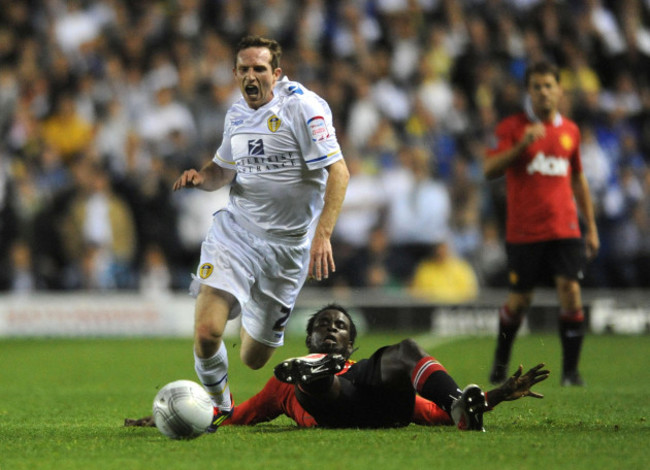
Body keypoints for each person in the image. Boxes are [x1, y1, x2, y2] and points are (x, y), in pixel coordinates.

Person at [171, 35, 349, 430]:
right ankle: (219, 408)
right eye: (244, 70)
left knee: (253, 357)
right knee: (206, 332)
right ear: (235, 73)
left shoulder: (302, 108)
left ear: (277, 73)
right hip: (236, 233)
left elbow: (339, 172)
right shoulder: (235, 115)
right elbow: (222, 171)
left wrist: (323, 235)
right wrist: (201, 177)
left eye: (260, 69)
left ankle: (251, 308)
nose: (251, 77)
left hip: (287, 249)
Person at [126, 304, 549, 431]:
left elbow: (433, 415)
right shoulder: (281, 389)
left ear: (350, 343)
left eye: (340, 327)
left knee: (403, 352)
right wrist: (173, 418)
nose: (332, 329)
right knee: (317, 386)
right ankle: (318, 375)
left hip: (381, 402)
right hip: (336, 405)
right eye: (323, 326)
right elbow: (235, 415)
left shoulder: (362, 365)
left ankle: (458, 396)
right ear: (309, 338)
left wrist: (488, 399)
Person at [483, 61, 600, 387]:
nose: (544, 91)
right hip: (524, 231)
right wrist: (522, 145)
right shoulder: (512, 127)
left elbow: (578, 179)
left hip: (564, 228)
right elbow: (490, 168)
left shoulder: (571, 132)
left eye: (549, 85)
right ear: (529, 91)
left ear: (560, 90)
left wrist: (590, 226)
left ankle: (571, 374)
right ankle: (501, 361)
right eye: (537, 86)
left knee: (571, 292)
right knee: (520, 300)